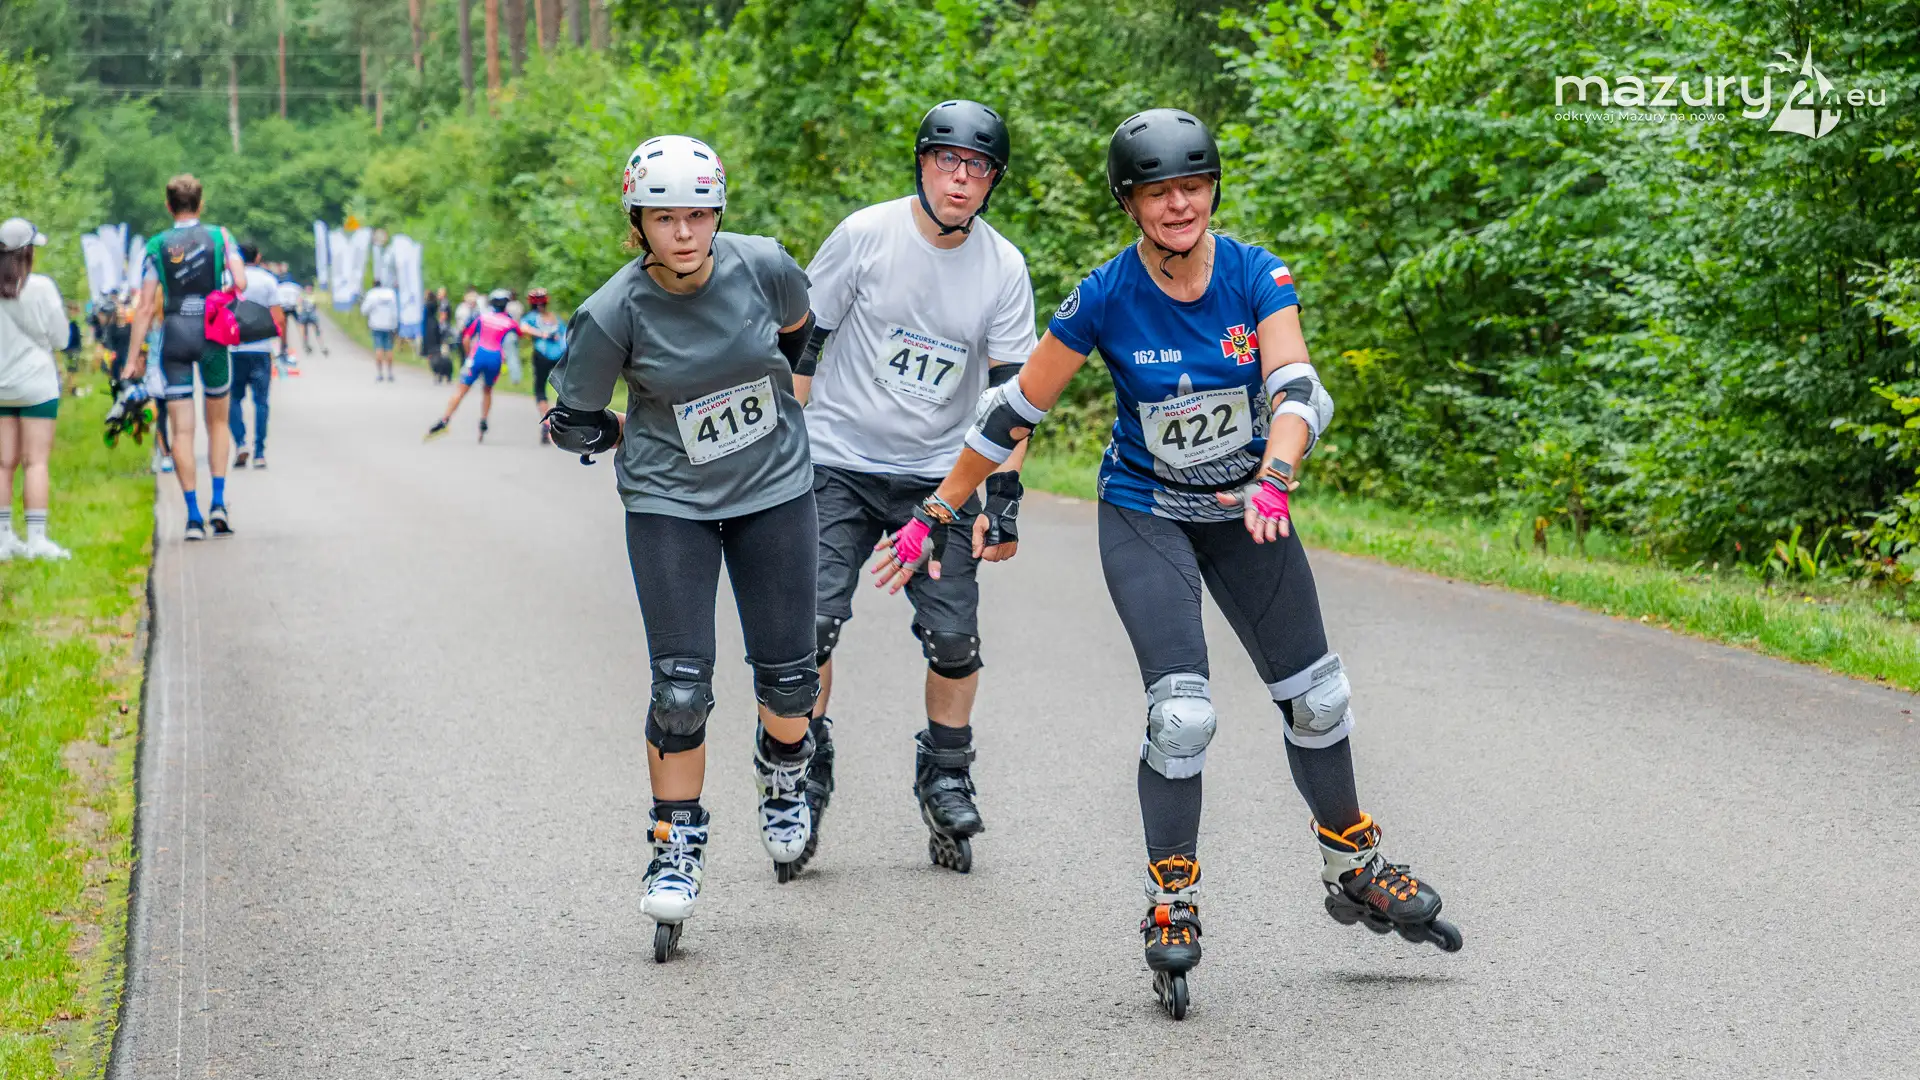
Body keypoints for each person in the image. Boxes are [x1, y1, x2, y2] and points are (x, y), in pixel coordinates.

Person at [872, 109, 1461, 1019]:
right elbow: (1012, 411)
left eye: (1194, 186)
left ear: (1213, 190)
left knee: (1318, 697)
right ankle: (1172, 894)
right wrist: (939, 509)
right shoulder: (1104, 296)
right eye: (1158, 192)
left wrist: (1277, 474)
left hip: (1246, 507)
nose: (1179, 204)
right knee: (1182, 716)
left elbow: (1298, 387)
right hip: (1144, 513)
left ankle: (1353, 858)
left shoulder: (1255, 273)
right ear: (1130, 203)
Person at [543, 133, 819, 961]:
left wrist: (784, 396)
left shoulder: (763, 265)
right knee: (680, 689)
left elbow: (801, 332)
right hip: (670, 500)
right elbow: (574, 421)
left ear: (718, 214)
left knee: (791, 682)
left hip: (774, 487)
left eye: (698, 214)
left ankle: (783, 770)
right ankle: (675, 845)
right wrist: (622, 431)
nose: (685, 232)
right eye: (665, 218)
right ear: (638, 223)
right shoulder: (613, 311)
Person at [790, 100, 1037, 875]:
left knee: (954, 638)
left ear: (993, 181)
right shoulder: (865, 234)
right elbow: (802, 343)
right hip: (837, 460)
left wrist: (1003, 499)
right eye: (946, 161)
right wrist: (782, 450)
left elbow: (1011, 398)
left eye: (978, 168)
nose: (960, 179)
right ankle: (803, 770)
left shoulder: (1003, 267)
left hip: (941, 477)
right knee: (811, 626)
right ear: (923, 164)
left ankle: (947, 774)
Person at [125, 173, 250, 541]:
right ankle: (219, 504)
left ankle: (193, 517)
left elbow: (144, 307)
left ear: (169, 206)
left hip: (175, 336)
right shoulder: (220, 236)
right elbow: (241, 282)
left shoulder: (156, 246)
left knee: (182, 429)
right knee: (218, 423)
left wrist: (132, 359)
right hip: (212, 334)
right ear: (201, 202)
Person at [0, 218, 72, 560]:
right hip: (37, 386)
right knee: (36, 462)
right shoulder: (41, 287)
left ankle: (2, 538)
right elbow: (62, 339)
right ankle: (36, 539)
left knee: (3, 464)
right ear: (28, 252)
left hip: (1, 385)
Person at [425, 290, 516, 442]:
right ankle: (483, 420)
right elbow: (518, 335)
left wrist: (469, 355)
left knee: (461, 390)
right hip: (495, 358)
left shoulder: (482, 317)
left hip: (478, 355)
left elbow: (466, 338)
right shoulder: (509, 321)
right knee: (487, 390)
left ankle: (445, 419)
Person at [227, 242, 283, 469]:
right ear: (258, 257)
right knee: (261, 401)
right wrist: (282, 346)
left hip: (235, 348)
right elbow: (278, 317)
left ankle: (240, 443)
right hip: (261, 348)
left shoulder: (228, 279)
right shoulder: (268, 280)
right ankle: (259, 452)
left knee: (234, 399)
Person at [520, 286, 566, 438]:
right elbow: (566, 334)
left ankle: (546, 422)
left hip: (541, 355)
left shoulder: (531, 317)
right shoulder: (554, 317)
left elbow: (523, 328)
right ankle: (564, 417)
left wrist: (540, 334)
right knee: (564, 388)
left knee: (540, 389)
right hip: (560, 356)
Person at [361, 276, 401, 381]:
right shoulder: (390, 293)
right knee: (389, 349)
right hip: (389, 325)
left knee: (378, 348)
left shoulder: (372, 294)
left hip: (376, 325)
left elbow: (364, 310)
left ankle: (380, 373)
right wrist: (395, 324)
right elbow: (395, 310)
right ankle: (390, 373)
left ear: (373, 285)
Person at [274, 271, 303, 373]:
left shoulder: (279, 286)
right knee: (300, 324)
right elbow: (300, 299)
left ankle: (283, 346)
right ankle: (304, 341)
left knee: (283, 328)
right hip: (293, 306)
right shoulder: (295, 286)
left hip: (283, 307)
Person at [422, 287, 451, 383]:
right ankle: (439, 372)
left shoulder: (432, 304)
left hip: (432, 329)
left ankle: (438, 371)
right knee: (437, 351)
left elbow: (443, 316)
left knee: (435, 352)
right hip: (435, 327)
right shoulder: (437, 304)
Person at [296, 285, 326, 355]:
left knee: (316, 330)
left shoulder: (310, 296)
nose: (309, 290)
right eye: (308, 289)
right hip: (305, 315)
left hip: (310, 315)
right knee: (304, 331)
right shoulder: (304, 297)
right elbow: (299, 304)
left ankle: (321, 346)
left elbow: (316, 306)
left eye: (309, 289)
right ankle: (306, 345)